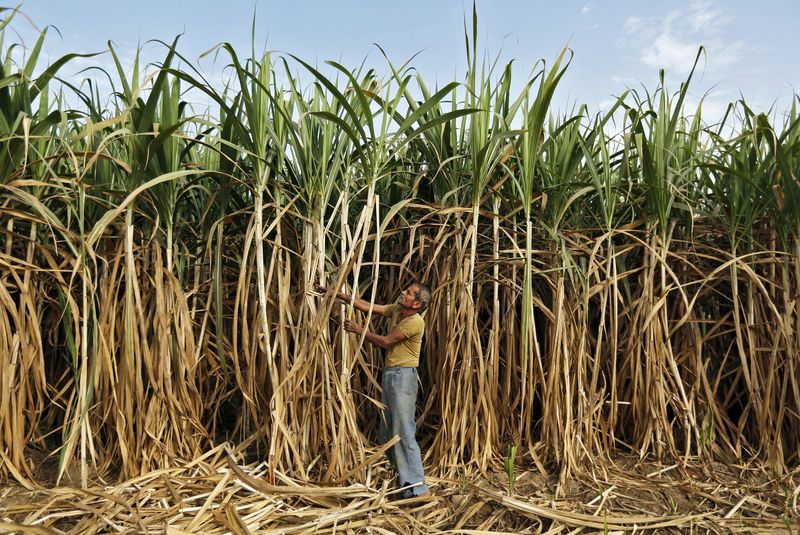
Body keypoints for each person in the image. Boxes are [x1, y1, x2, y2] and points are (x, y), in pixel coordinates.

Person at [315, 281, 432, 499]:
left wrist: (358, 330)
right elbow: (367, 306)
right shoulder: (398, 310)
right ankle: (404, 483)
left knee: (404, 432)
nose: (403, 293)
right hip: (392, 375)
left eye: (408, 293)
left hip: (403, 377)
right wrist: (336, 293)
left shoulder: (415, 322)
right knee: (387, 433)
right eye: (405, 289)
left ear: (416, 304)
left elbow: (387, 342)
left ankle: (419, 488)